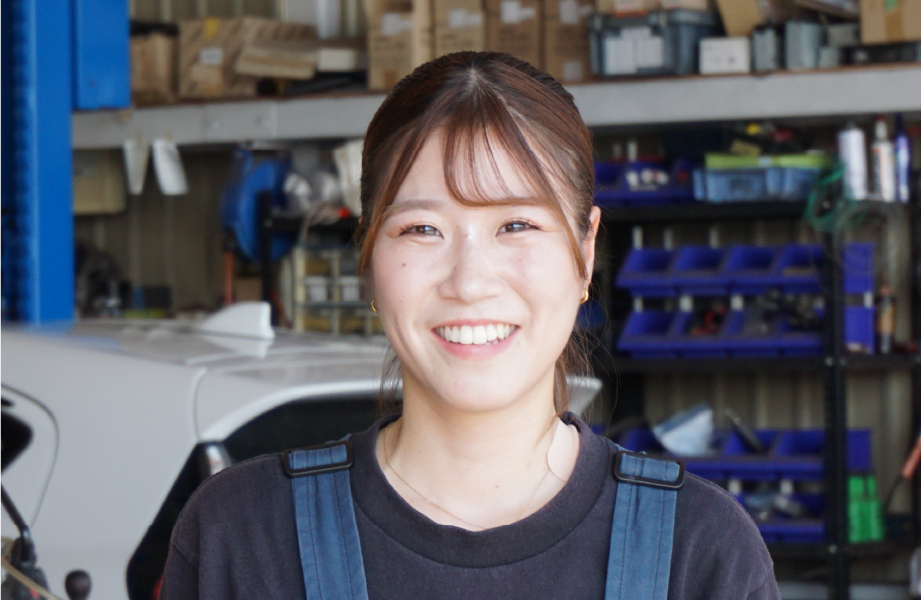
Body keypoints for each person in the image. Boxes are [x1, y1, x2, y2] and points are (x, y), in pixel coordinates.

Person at [160, 52, 780, 600]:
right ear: (368, 259)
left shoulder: (702, 553)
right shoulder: (240, 536)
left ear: (585, 253)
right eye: (421, 229)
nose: (470, 281)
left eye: (517, 225)